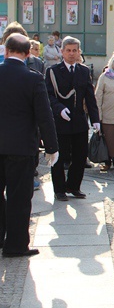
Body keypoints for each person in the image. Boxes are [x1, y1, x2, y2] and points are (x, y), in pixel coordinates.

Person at [0, 34, 58, 257]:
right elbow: (45, 116)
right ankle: (15, 245)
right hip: (21, 147)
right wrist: (52, 146)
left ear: (6, 51)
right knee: (19, 198)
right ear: (27, 54)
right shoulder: (33, 78)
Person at [45, 36, 100, 201]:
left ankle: (74, 186)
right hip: (60, 120)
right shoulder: (53, 71)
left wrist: (95, 119)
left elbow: (90, 97)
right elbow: (48, 95)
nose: (71, 53)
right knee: (59, 157)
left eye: (74, 50)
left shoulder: (83, 71)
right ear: (62, 52)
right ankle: (59, 189)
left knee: (80, 156)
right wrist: (59, 109)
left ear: (78, 52)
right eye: (68, 50)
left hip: (78, 120)